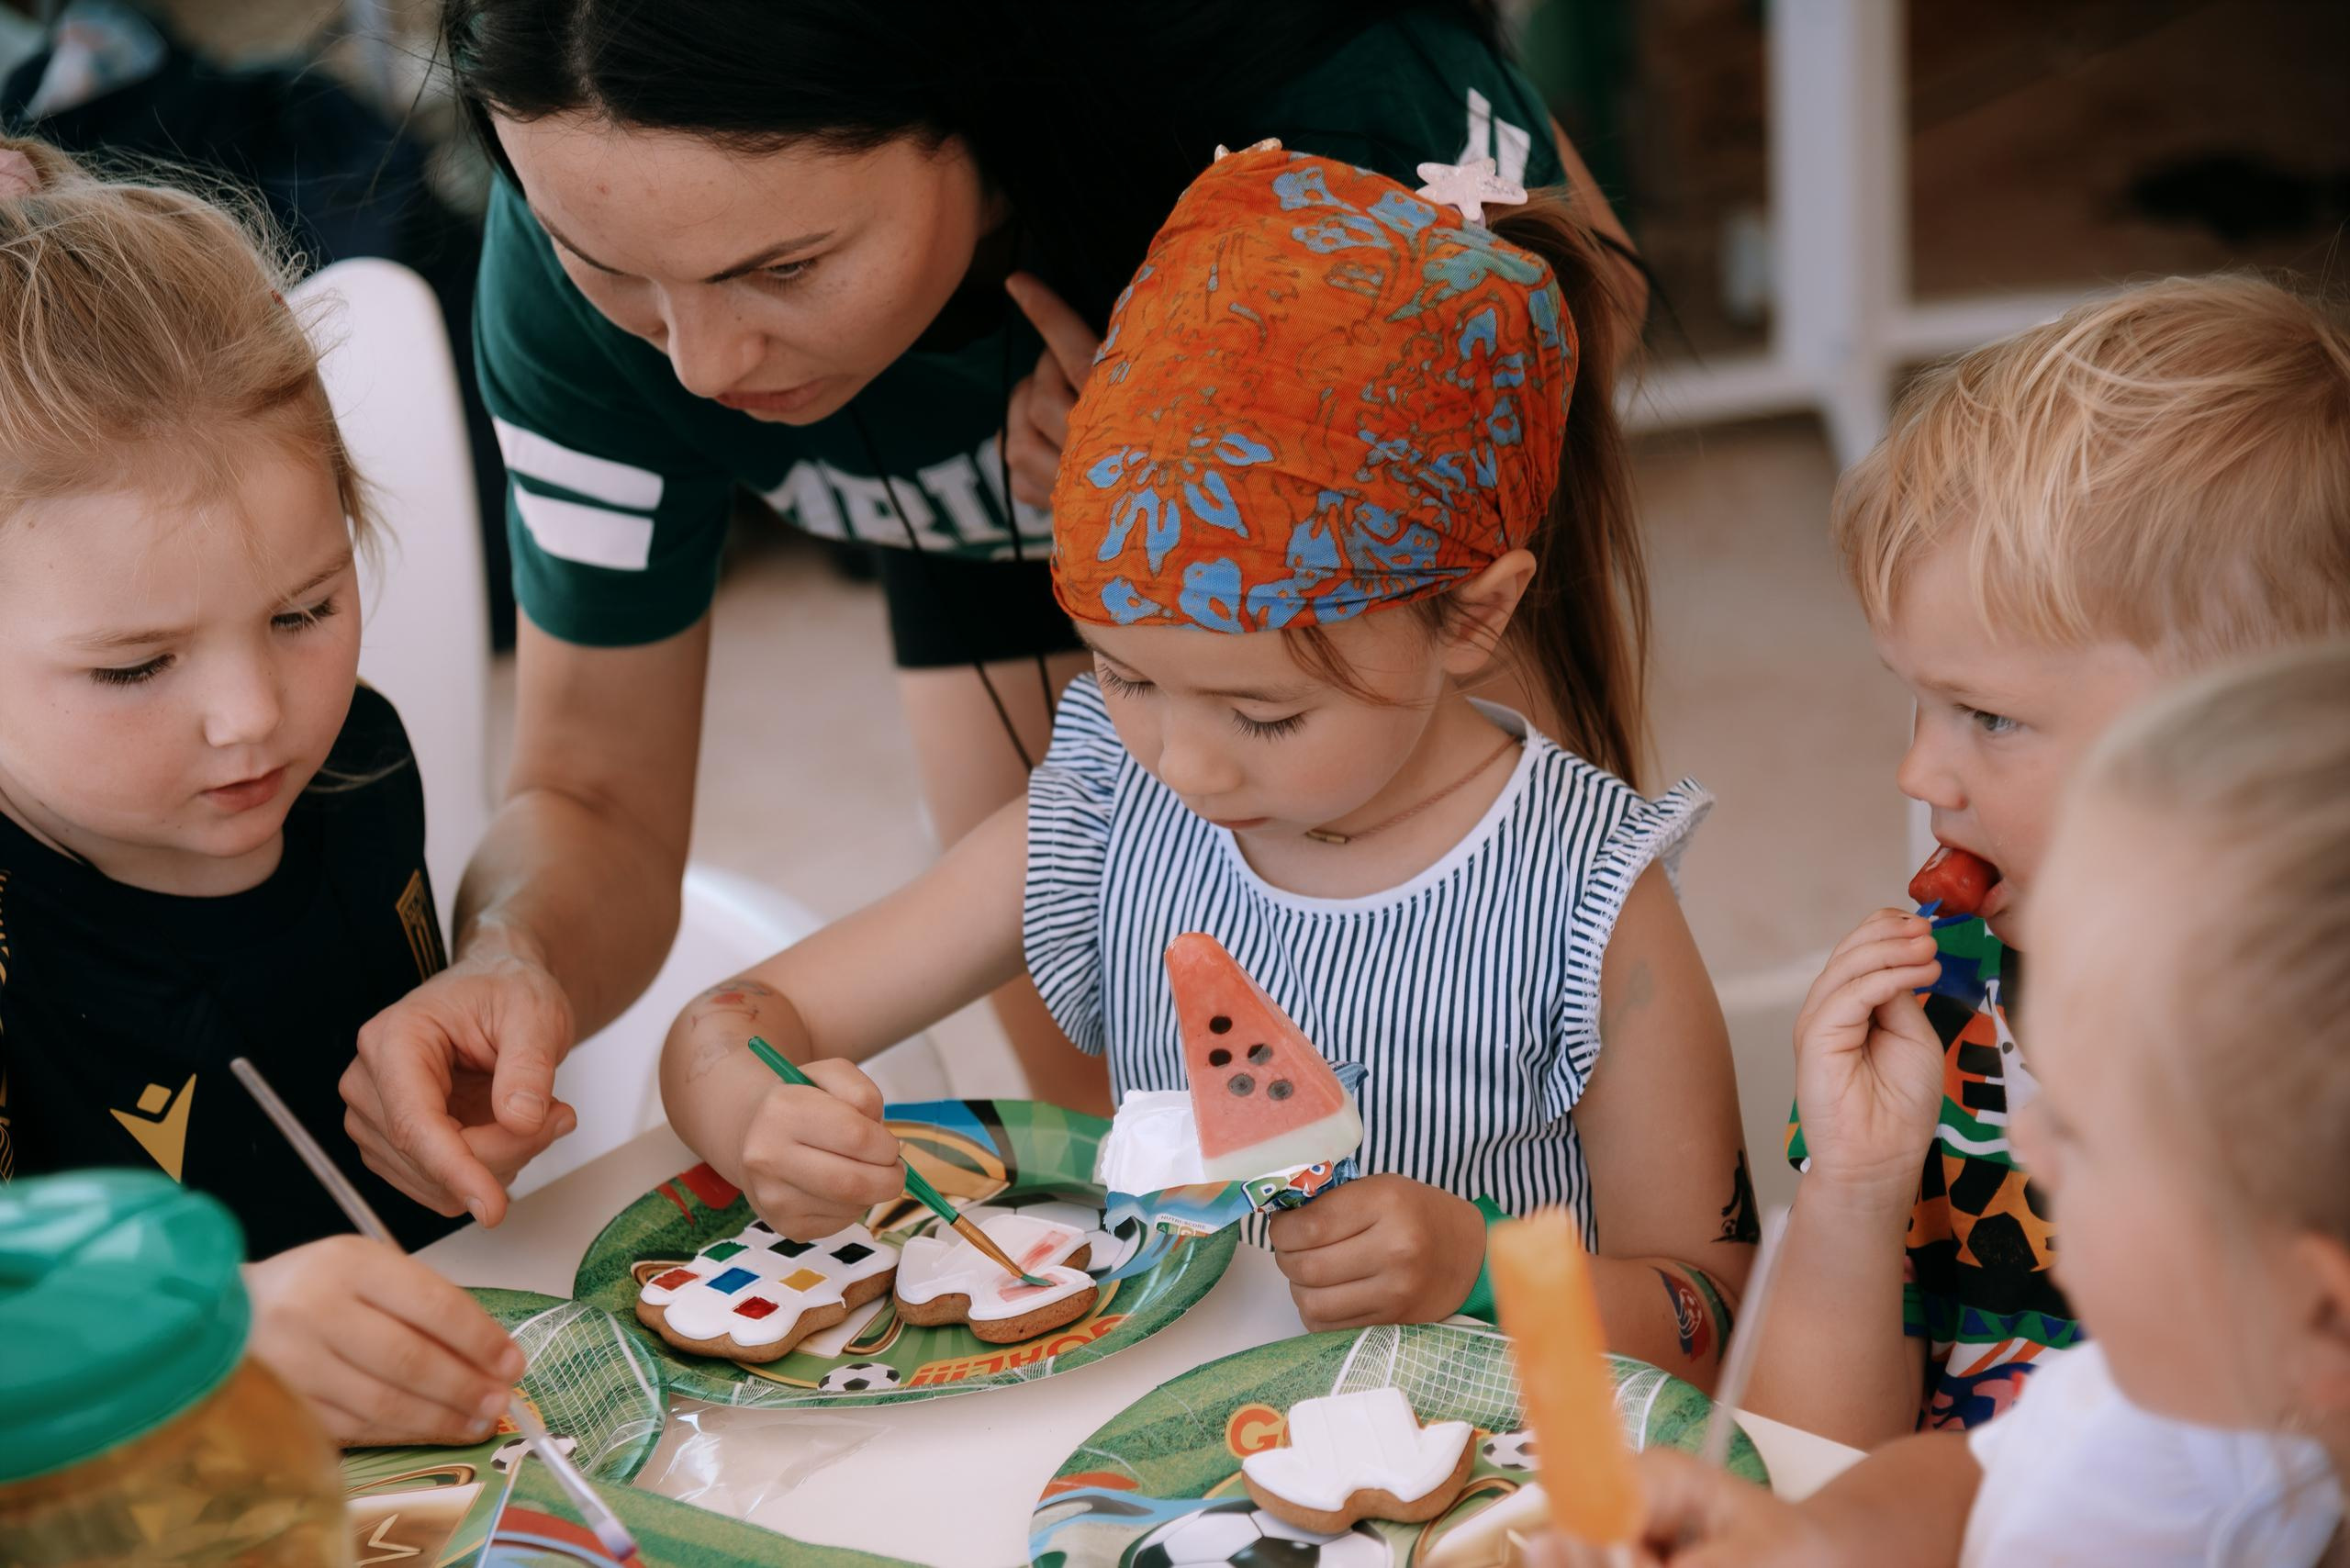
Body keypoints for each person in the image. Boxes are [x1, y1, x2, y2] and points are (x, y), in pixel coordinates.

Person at [341, 0, 1650, 1225]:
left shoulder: (1300, 86)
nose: (699, 362)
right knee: (1125, 1139)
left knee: (1512, 1068)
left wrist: (1229, 448)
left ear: (970, 98)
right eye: (601, 266)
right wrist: (517, 960)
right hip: (979, 560)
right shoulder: (602, 241)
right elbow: (596, 796)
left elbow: (1589, 296)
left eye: (784, 269)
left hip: (1343, 563)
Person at [654, 146, 1756, 1372]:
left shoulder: (1589, 903)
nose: (1184, 765)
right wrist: (760, 1114)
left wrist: (1483, 1269)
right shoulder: (1106, 808)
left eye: (1265, 714)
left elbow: (1711, 1315)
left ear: (1473, 616)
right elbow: (733, 1019)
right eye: (1123, 678)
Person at [1541, 644, 2350, 1568]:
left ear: (2322, 1317)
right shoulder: (2185, 1407)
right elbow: (1971, 1482)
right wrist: (1814, 1539)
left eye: (2077, 1133)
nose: (2028, 1142)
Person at [1741, 274, 2350, 1446]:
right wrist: (1857, 1191)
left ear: (2241, 735)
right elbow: (1803, 1463)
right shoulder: (1940, 1008)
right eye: (1916, 703)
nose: (1920, 773)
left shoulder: (2311, 1085)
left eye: (1990, 717)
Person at [0, 139, 526, 1446]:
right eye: (135, 667)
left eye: (306, 609)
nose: (254, 720)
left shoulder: (361, 769)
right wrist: (200, 1332)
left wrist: (478, 1100)